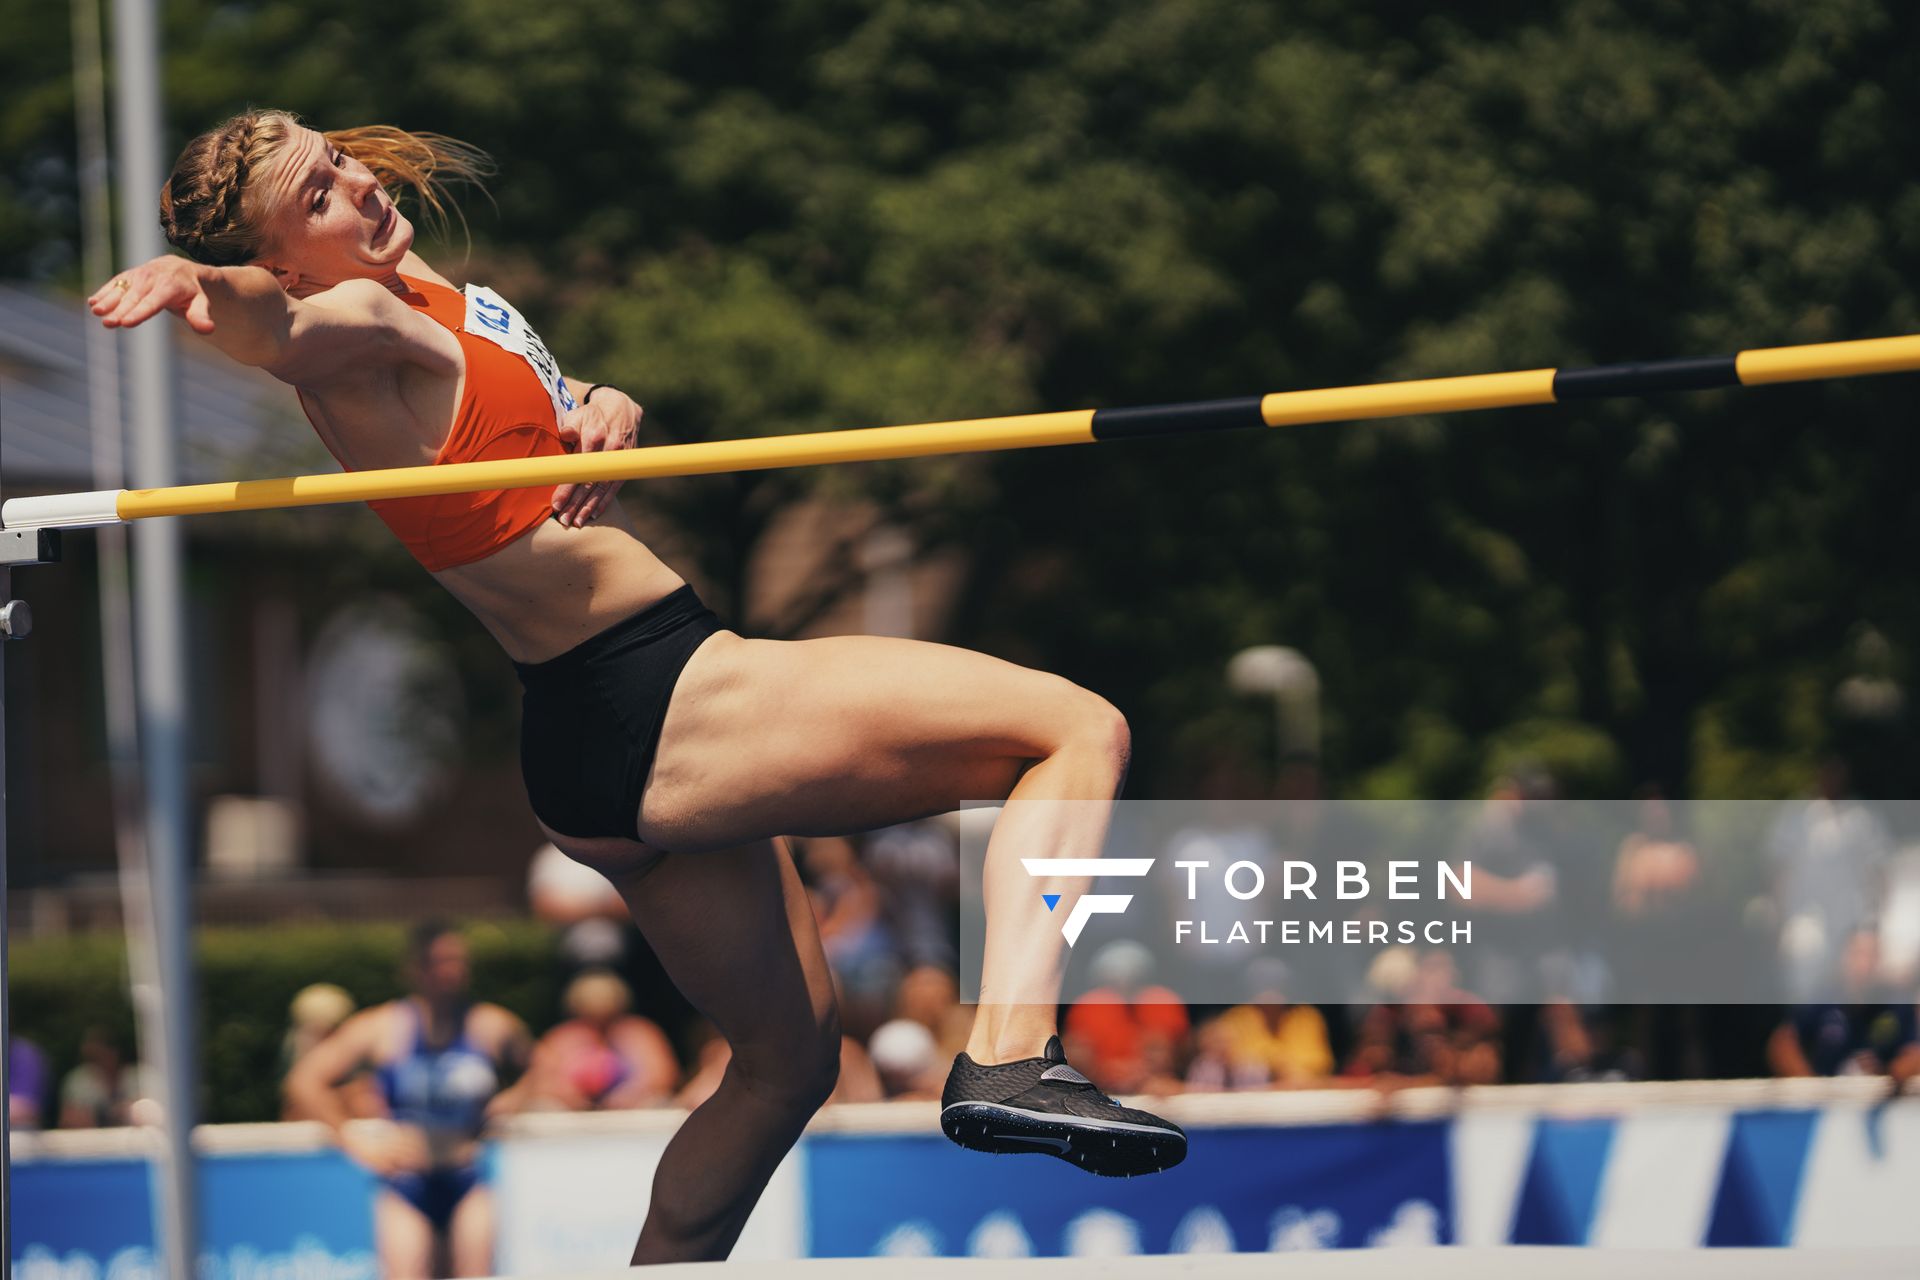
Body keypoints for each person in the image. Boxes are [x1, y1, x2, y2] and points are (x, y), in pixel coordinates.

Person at [100, 109, 1183, 1263]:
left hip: (588, 736)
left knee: (786, 1065)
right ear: (277, 257)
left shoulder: (432, 298)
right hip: (665, 690)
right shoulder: (355, 316)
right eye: (315, 200)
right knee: (1076, 728)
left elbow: (505, 415)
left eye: (339, 162)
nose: (356, 187)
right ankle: (1013, 1049)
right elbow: (278, 327)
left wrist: (598, 403)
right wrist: (199, 292)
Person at [284, 921, 532, 1279]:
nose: (450, 970)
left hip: (465, 1174)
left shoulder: (489, 1025)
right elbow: (305, 1080)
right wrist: (350, 1139)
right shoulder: (384, 1026)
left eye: (457, 960)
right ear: (414, 969)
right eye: (439, 961)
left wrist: (512, 1099)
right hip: (407, 1181)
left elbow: (543, 1065)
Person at [525, 970, 680, 1110]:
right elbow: (541, 1081)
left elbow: (664, 1075)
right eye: (590, 1017)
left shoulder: (640, 1032)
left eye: (607, 1017)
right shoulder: (561, 1037)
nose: (599, 1025)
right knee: (544, 1106)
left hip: (632, 1111)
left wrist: (631, 1094)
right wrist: (568, 1094)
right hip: (574, 1116)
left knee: (658, 1104)